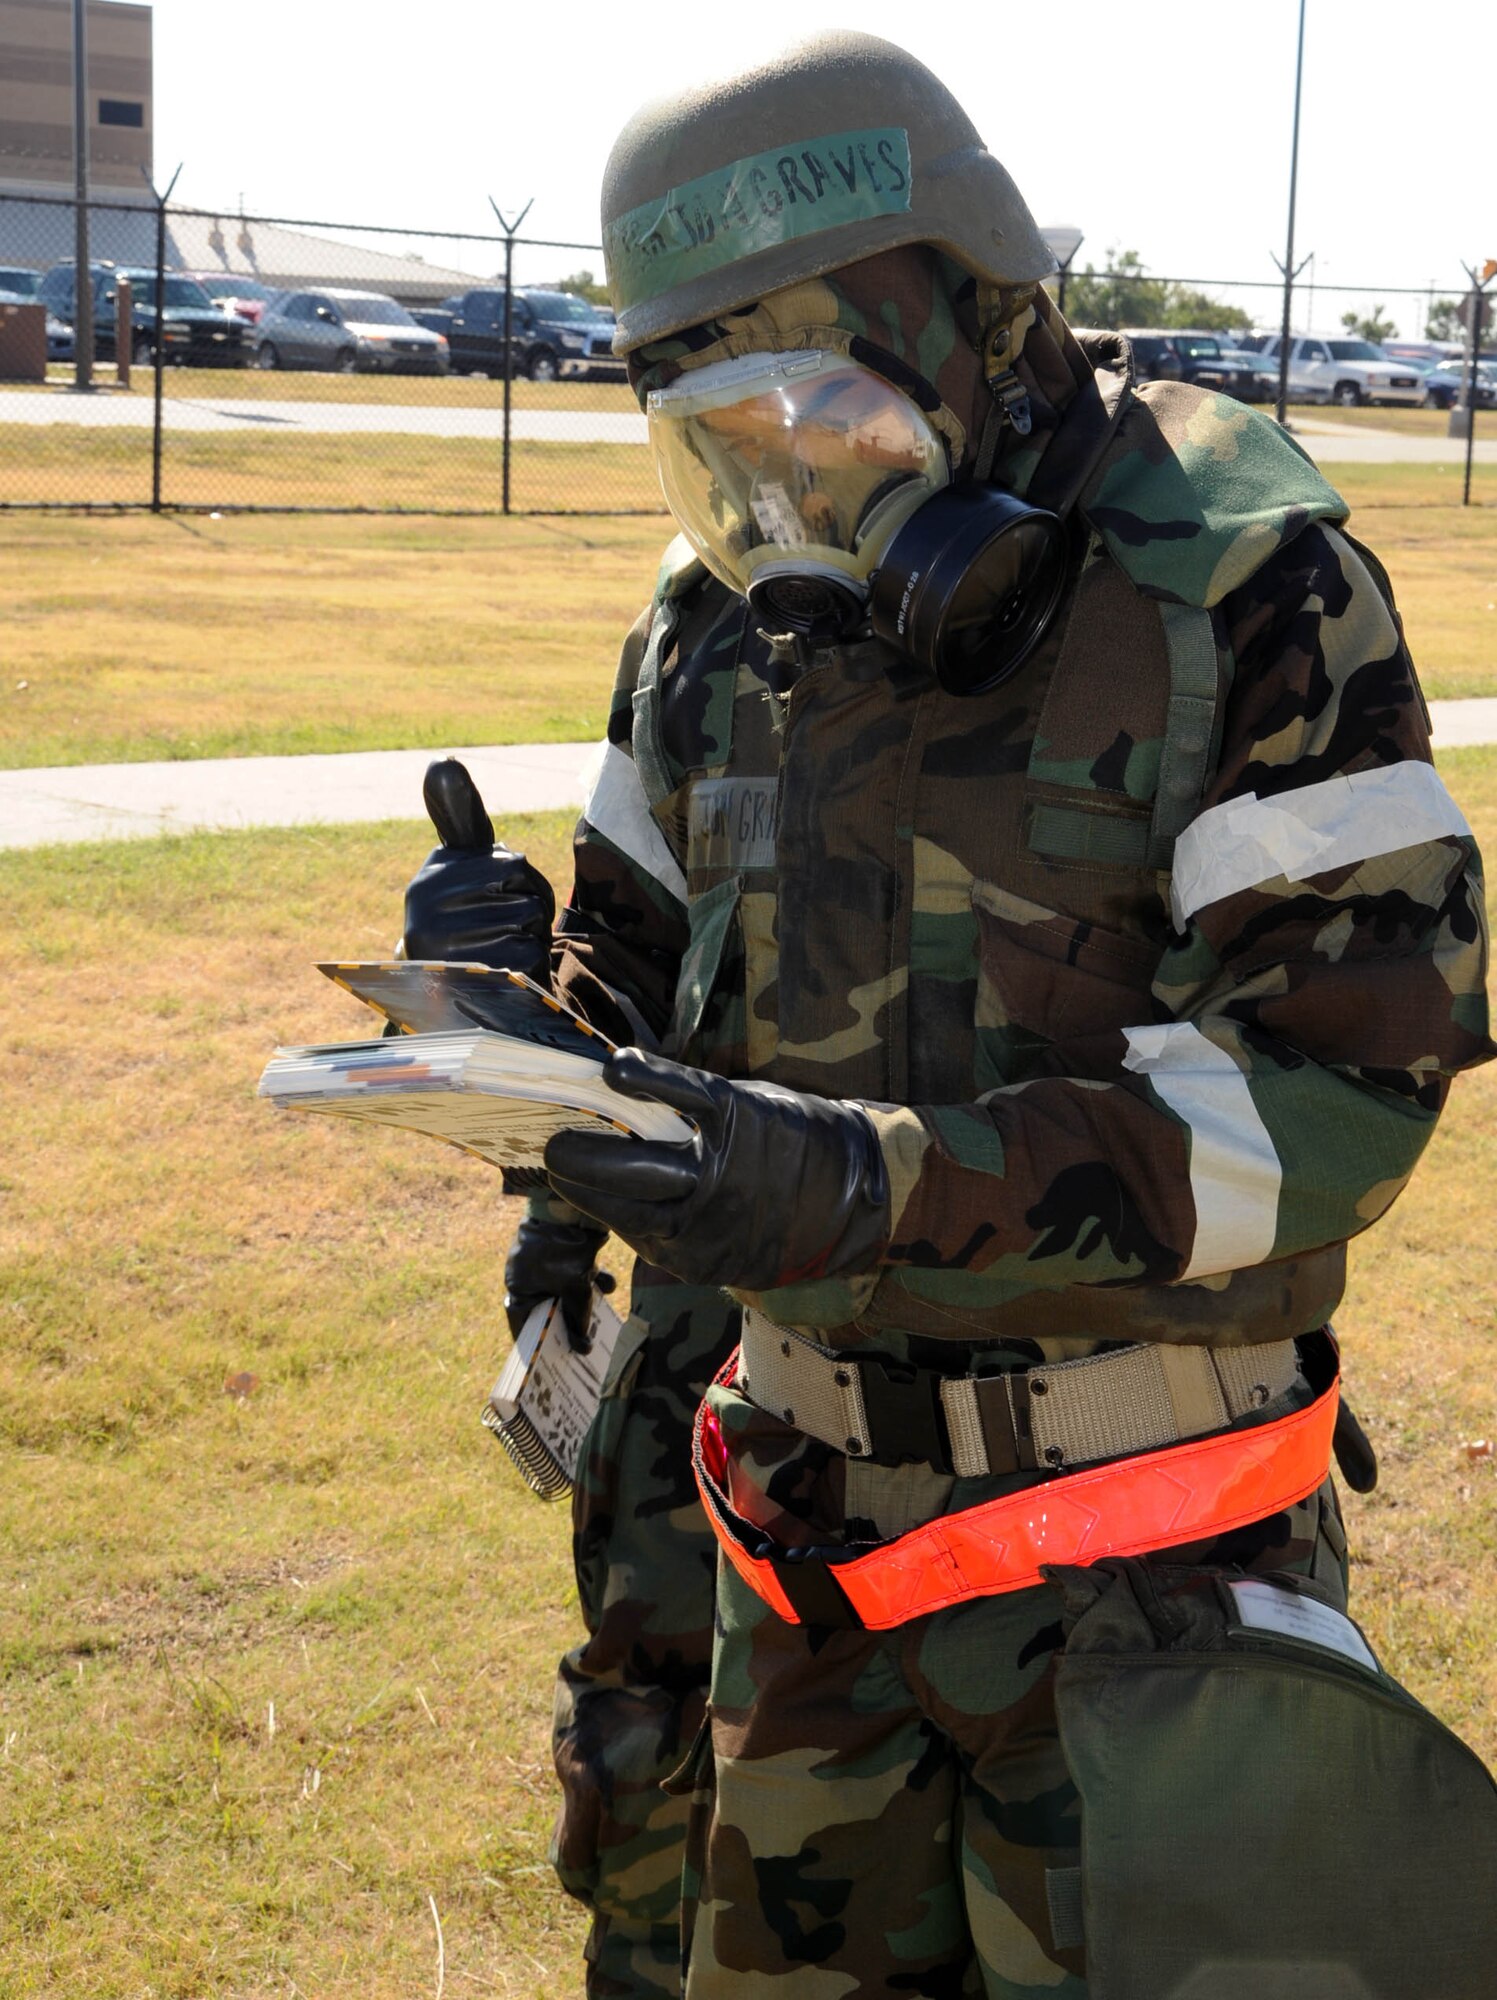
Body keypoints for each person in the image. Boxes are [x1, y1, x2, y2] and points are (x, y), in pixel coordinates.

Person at [528, 27, 1491, 2000]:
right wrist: (499, 1007)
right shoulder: (706, 625)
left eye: (805, 403)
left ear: (973, 313)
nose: (770, 490)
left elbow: (1341, 1090)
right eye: (708, 433)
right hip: (794, 1593)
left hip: (1147, 1611)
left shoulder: (1239, 567)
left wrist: (869, 1193)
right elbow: (623, 980)